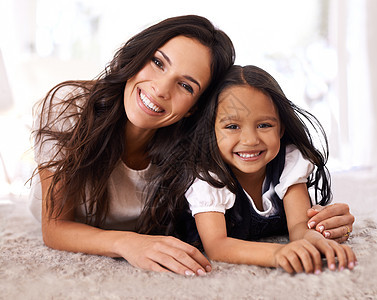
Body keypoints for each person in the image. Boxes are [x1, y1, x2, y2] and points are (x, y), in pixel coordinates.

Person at [30, 15, 354, 276]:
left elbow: (253, 182)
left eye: (185, 85)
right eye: (158, 63)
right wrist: (129, 244)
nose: (160, 89)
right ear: (138, 54)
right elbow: (56, 227)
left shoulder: (194, 146)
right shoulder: (69, 107)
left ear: (197, 106)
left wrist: (315, 225)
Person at [144, 65, 356, 274]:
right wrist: (278, 253)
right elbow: (217, 246)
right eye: (232, 126)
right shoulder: (208, 176)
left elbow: (299, 226)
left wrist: (315, 239)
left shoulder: (289, 161)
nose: (250, 140)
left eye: (264, 125)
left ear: (281, 128)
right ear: (211, 131)